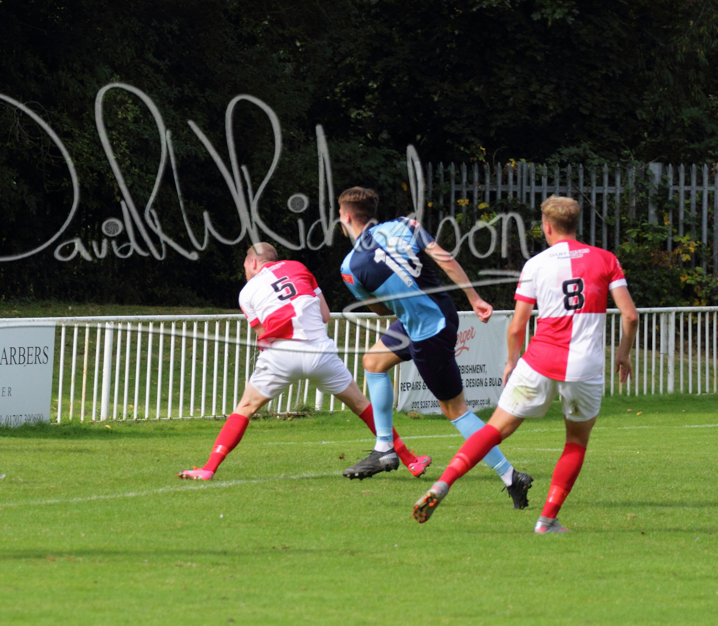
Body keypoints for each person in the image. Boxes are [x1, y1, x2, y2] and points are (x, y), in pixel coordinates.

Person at [412, 196, 637, 533]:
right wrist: (623, 354)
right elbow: (630, 316)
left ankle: (443, 483)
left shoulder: (536, 264)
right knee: (575, 442)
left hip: (539, 361)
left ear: (547, 226)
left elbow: (518, 326)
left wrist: (511, 362)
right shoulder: (606, 259)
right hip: (584, 366)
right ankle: (547, 520)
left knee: (494, 430)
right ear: (575, 224)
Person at [338, 186, 532, 507]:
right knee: (373, 361)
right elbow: (445, 259)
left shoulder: (349, 268)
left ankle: (511, 476)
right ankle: (384, 448)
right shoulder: (404, 225)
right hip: (438, 314)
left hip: (428, 331)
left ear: (345, 217)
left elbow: (381, 310)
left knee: (456, 410)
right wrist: (474, 298)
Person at [178, 243, 414, 480]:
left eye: (245, 268)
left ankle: (208, 468)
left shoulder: (246, 292)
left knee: (245, 408)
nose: (246, 273)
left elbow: (263, 333)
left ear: (252, 262)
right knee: (361, 404)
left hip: (282, 353)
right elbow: (325, 315)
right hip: (319, 350)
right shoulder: (298, 267)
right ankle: (411, 460)